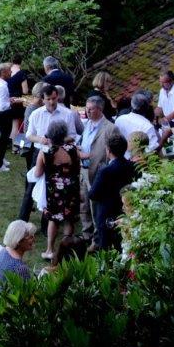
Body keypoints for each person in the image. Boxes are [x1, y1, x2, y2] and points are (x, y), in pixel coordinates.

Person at [34, 120, 80, 260]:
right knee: (69, 219)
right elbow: (77, 168)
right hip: (71, 189)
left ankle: (50, 250)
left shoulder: (45, 152)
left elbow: (37, 173)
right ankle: (66, 251)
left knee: (53, 220)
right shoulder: (72, 149)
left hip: (54, 192)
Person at [77, 96, 120, 240]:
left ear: (100, 109)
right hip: (83, 169)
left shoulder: (110, 128)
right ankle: (86, 233)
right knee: (83, 203)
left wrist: (87, 155)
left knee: (95, 205)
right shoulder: (87, 124)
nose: (87, 111)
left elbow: (111, 152)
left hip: (97, 171)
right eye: (86, 108)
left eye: (91, 109)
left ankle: (97, 238)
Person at [88, 133, 135, 251]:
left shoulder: (105, 170)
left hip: (106, 213)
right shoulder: (132, 166)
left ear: (108, 151)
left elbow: (93, 194)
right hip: (125, 210)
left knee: (107, 248)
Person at [7, 57, 30, 137]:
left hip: (8, 100)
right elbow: (25, 91)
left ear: (12, 61)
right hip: (18, 100)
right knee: (16, 126)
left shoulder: (7, 72)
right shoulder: (21, 73)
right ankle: (15, 143)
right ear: (21, 62)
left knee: (12, 125)